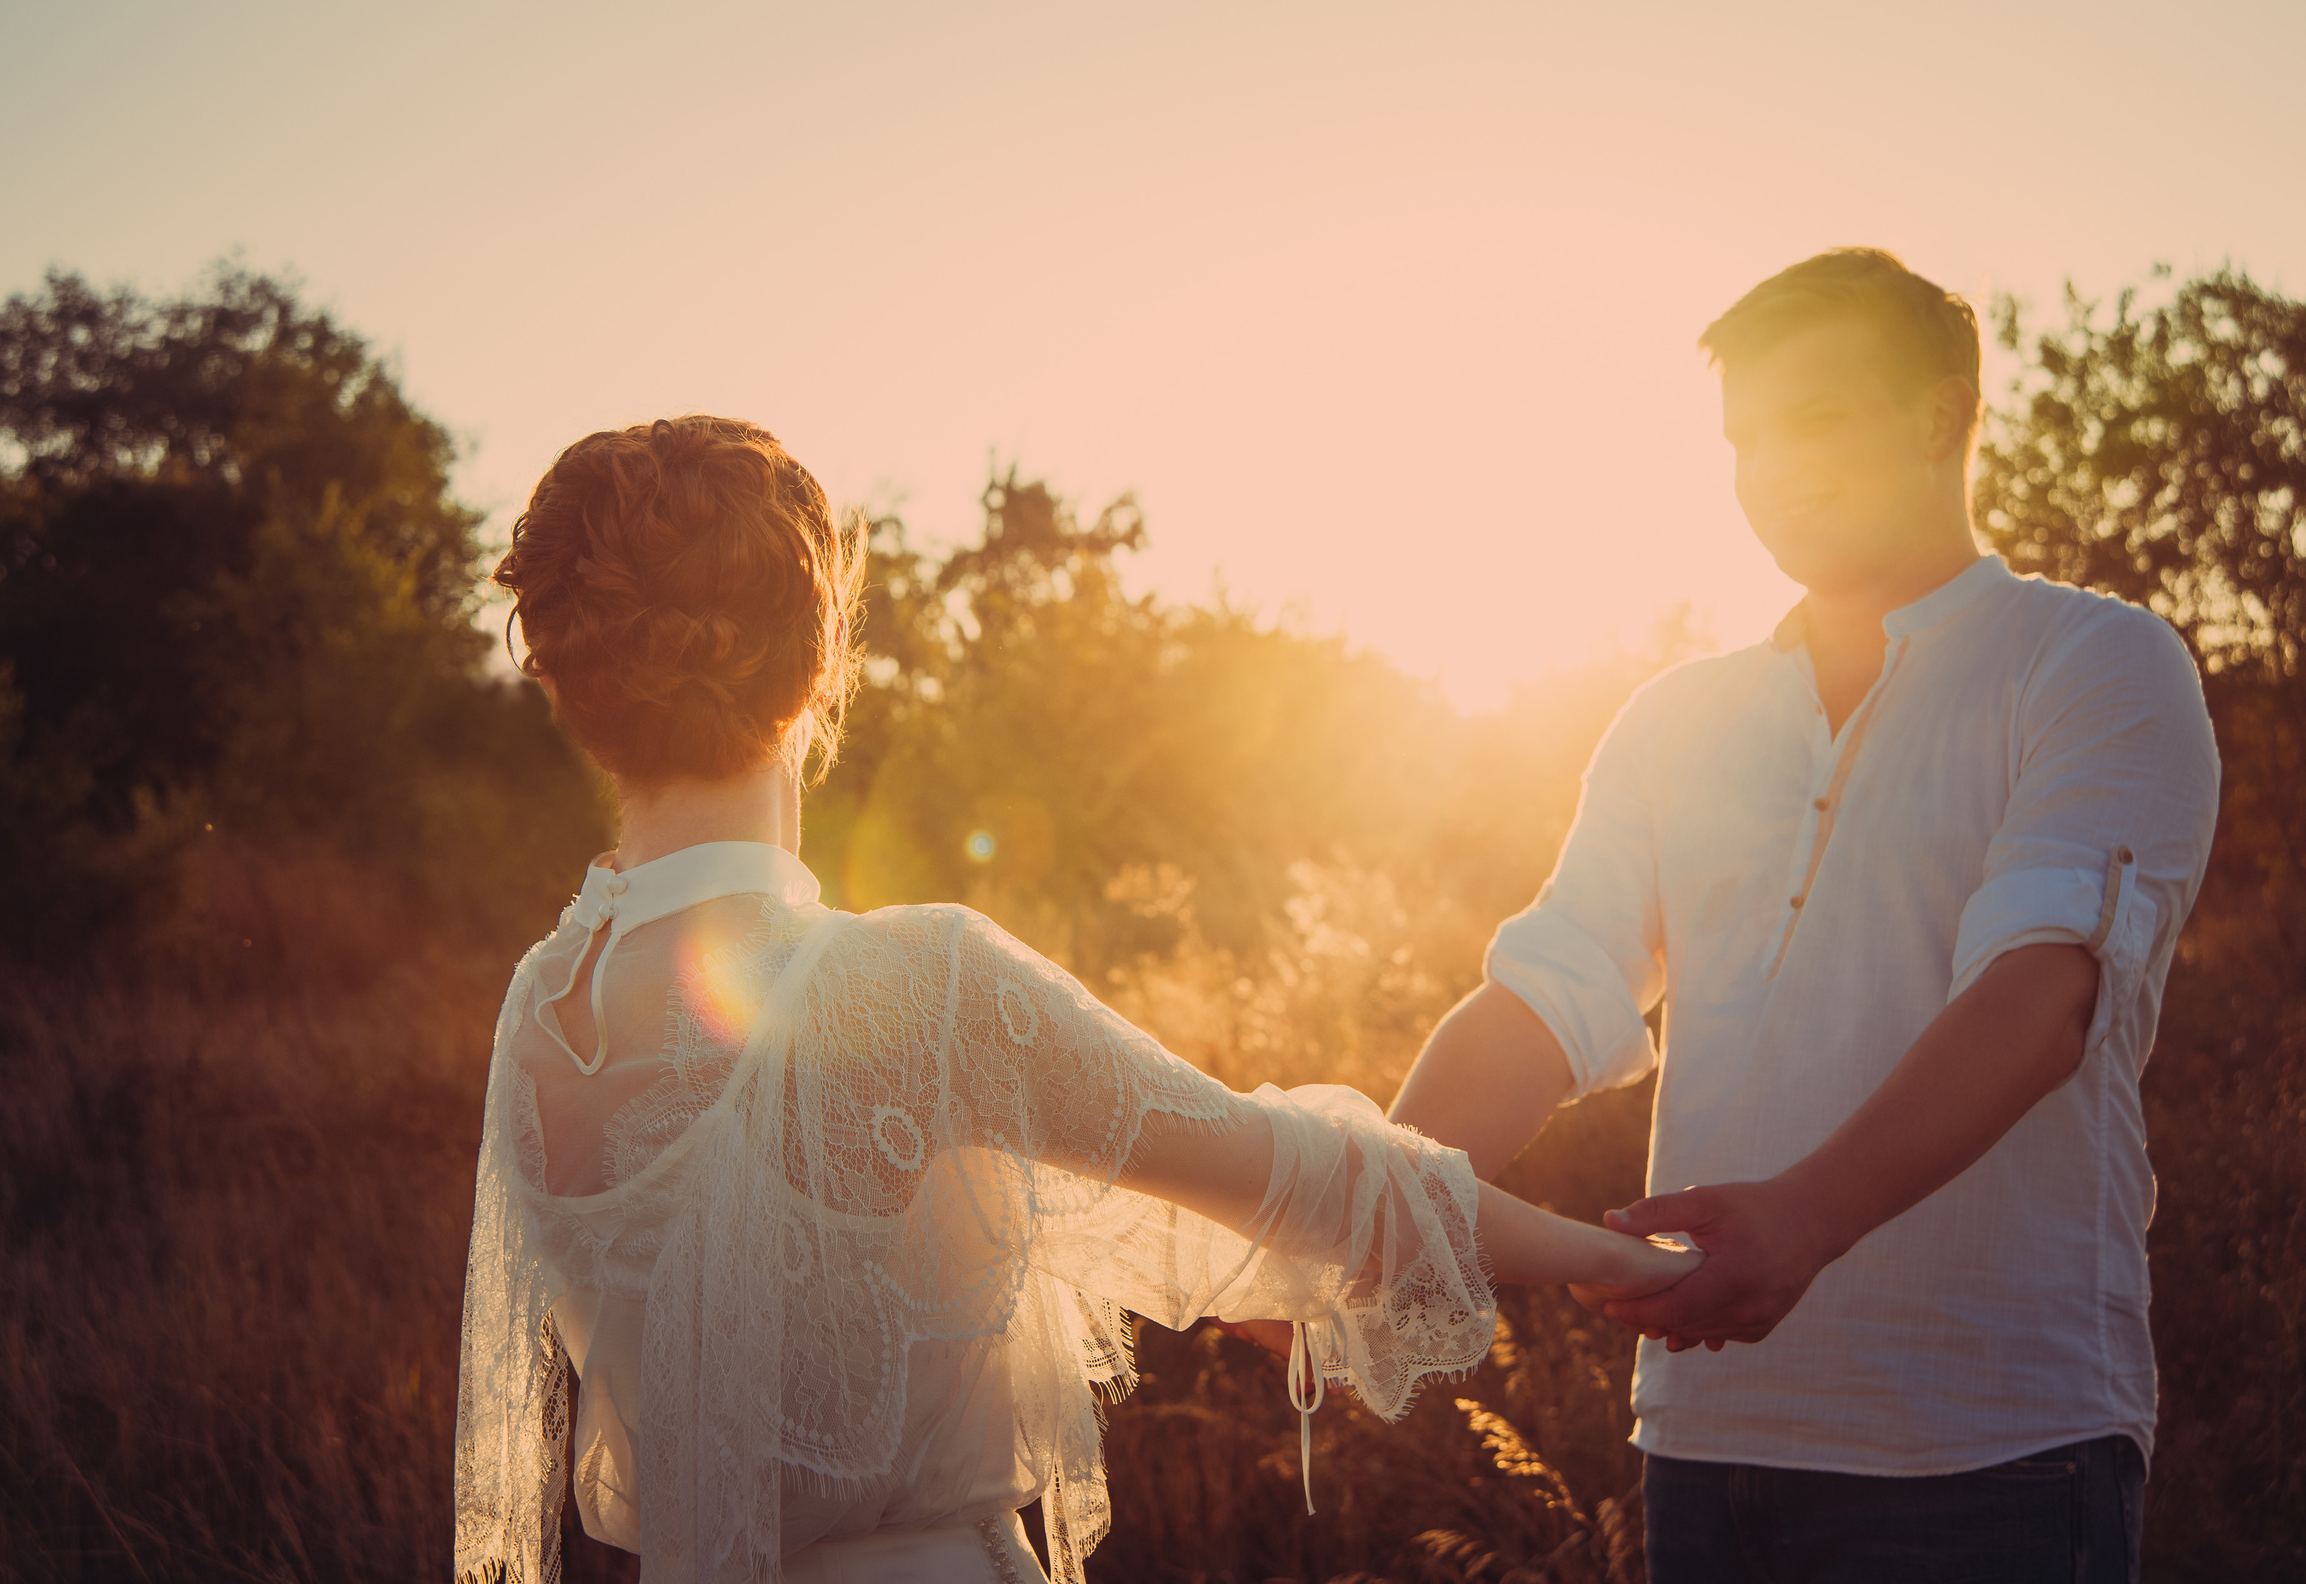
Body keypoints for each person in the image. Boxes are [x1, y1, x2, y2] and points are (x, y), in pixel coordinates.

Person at [451, 415, 1699, 1584]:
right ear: (822, 656)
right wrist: (1629, 1258)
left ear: (572, 682)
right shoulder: (914, 983)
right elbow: (1320, 1178)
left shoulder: (541, 1006)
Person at [1386, 250, 2221, 1582]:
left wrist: (1804, 1219)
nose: (1772, 467)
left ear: (1944, 419)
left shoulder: (2094, 663)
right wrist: (1361, 1208)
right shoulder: (1675, 720)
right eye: (1744, 437)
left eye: (1816, 417)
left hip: (1991, 1457)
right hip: (1707, 1452)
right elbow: (1556, 981)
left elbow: (2044, 992)